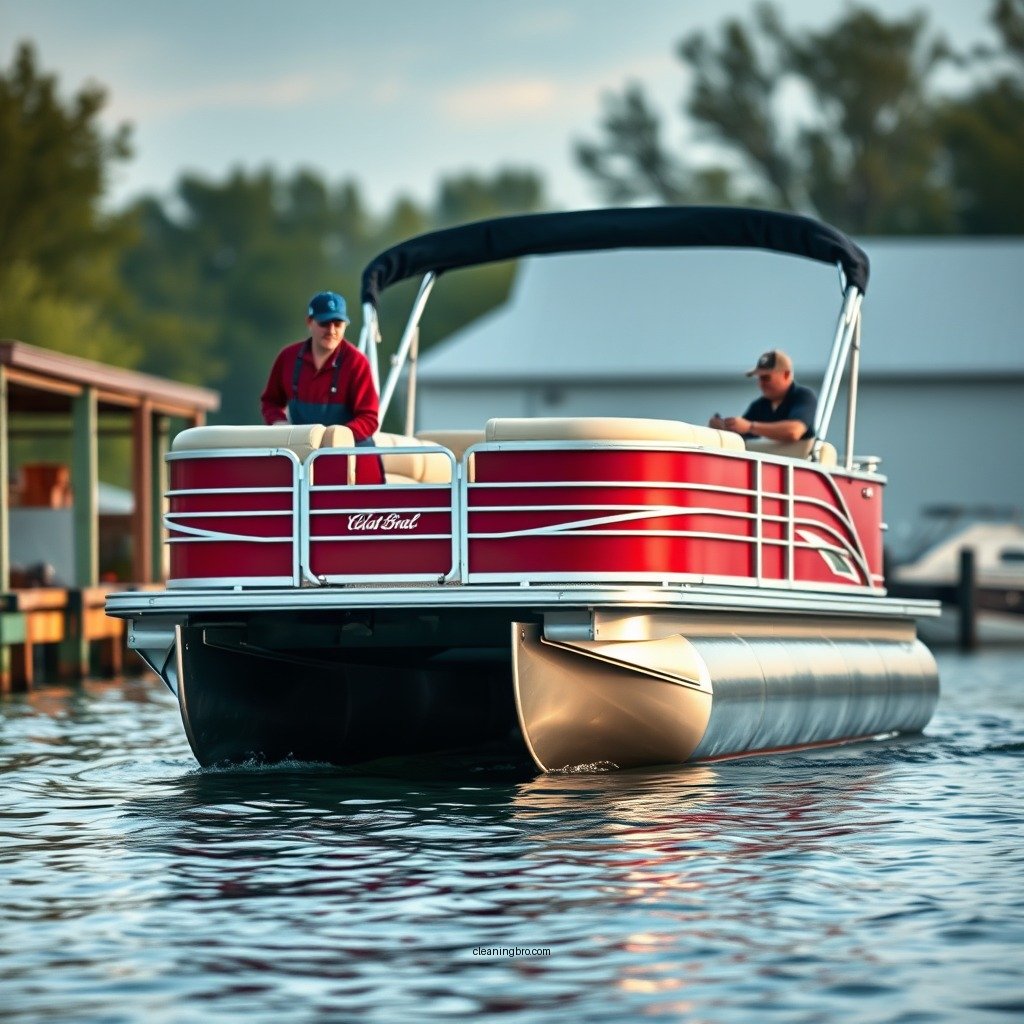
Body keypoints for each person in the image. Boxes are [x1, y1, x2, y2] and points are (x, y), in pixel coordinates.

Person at [260, 290, 384, 482]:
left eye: (338, 323)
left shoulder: (357, 362)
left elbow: (369, 418)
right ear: (310, 322)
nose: (332, 330)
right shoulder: (288, 358)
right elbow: (270, 401)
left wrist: (336, 438)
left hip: (354, 455)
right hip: (303, 456)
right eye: (324, 323)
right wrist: (278, 423)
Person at [709, 349, 817, 442]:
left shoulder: (803, 396)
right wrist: (724, 429)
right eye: (759, 378)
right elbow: (741, 436)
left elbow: (794, 431)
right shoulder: (759, 406)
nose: (761, 384)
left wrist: (750, 427)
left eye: (766, 378)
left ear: (786, 374)